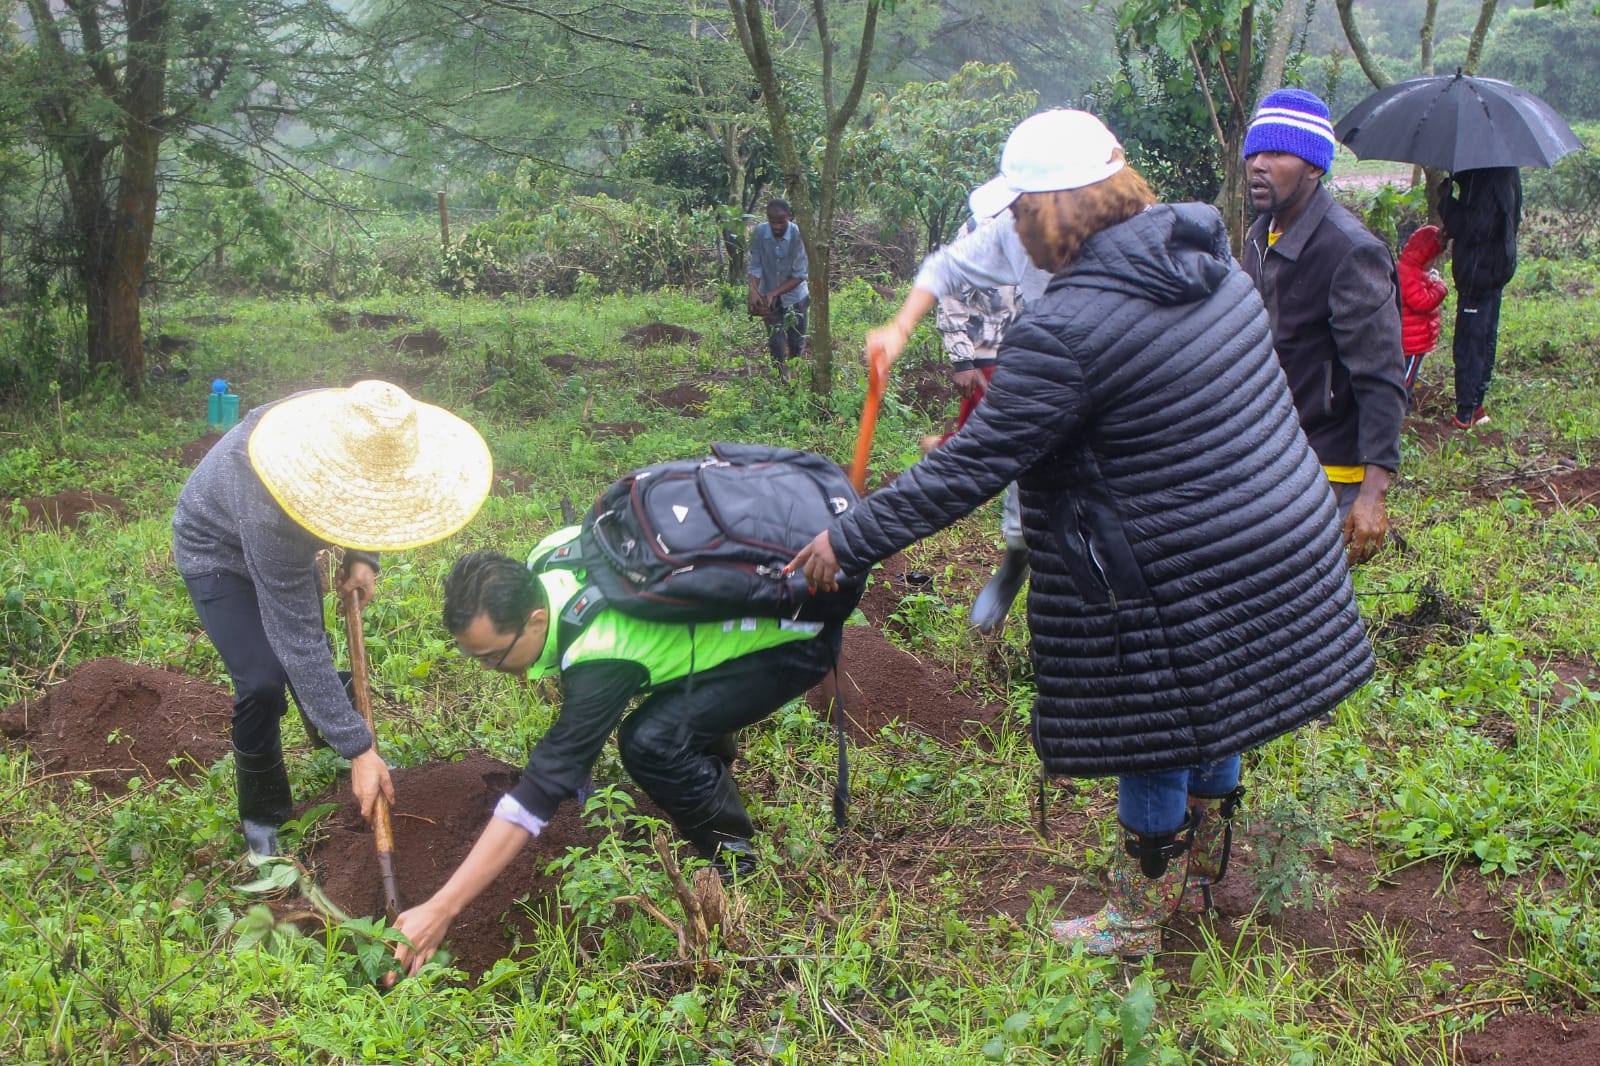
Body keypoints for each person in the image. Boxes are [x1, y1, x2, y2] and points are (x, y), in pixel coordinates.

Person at [789, 109, 1373, 958]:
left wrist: (849, 539)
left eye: (1020, 211)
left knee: (1156, 727)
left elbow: (970, 466)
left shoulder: (1066, 331)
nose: (1013, 230)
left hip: (1184, 566)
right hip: (1279, 538)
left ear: (1052, 211)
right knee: (1222, 711)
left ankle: (1142, 913)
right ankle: (1202, 872)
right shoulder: (1212, 266)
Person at [388, 526, 850, 976]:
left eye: (491, 656)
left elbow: (538, 795)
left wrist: (443, 906)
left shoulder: (601, 654)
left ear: (536, 620)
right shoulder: (549, 558)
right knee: (669, 713)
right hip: (729, 615)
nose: (488, 669)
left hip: (791, 641)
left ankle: (734, 857)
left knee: (649, 742)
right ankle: (706, 756)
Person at [172, 380, 493, 858]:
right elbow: (295, 637)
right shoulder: (269, 499)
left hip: (284, 542)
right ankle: (264, 816)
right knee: (263, 679)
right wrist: (361, 750)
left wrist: (365, 556)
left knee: (309, 658)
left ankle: (327, 719)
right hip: (218, 551)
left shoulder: (356, 419)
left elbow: (374, 490)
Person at [1240, 87, 1408, 567]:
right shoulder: (1259, 236)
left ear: (1314, 166)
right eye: (1255, 151)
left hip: (1327, 467)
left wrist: (1373, 493)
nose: (1259, 164)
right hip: (1269, 454)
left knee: (1308, 609)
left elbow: (1381, 376)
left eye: (1277, 153)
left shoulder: (1349, 251)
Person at [872, 209, 1054, 634]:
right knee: (1008, 457)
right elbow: (947, 273)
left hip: (1052, 356)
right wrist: (952, 350)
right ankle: (1017, 553)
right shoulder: (987, 227)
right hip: (995, 352)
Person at [1436, 166, 1522, 428]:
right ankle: (1476, 405)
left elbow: (1474, 226)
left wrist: (1446, 202)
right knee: (1485, 336)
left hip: (1477, 271)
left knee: (1469, 340)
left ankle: (1465, 412)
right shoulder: (1508, 170)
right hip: (1497, 266)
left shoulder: (1482, 175)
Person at [747, 198, 810, 379]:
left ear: (789, 217)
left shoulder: (799, 236)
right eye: (772, 221)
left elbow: (799, 274)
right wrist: (753, 291)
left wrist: (773, 293)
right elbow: (755, 266)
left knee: (796, 341)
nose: (775, 226)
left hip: (796, 297)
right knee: (775, 342)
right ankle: (780, 378)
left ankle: (793, 376)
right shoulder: (760, 232)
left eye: (780, 221)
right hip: (768, 296)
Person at [1397, 224, 1449, 398]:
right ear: (1425, 254)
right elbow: (1421, 302)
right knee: (1406, 378)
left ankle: (1404, 407)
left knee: (1407, 376)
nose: (1434, 263)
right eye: (1433, 258)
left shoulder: (1414, 270)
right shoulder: (1410, 273)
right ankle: (1398, 409)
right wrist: (1440, 287)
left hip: (1413, 338)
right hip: (1411, 341)